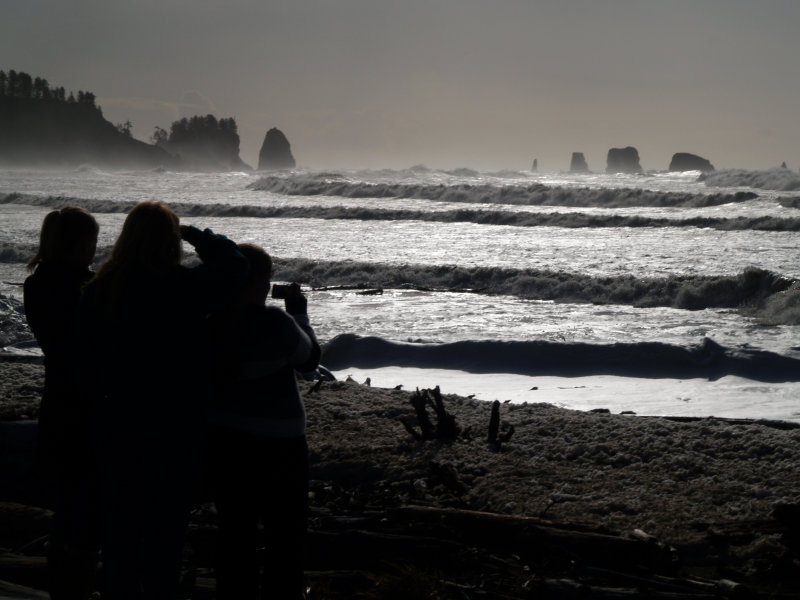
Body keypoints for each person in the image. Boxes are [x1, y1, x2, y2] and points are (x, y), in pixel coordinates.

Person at [74, 201, 248, 600]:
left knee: (118, 531)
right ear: (170, 241)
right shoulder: (182, 287)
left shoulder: (100, 290)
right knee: (164, 533)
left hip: (115, 419)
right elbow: (237, 265)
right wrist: (196, 235)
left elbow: (80, 359)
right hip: (175, 422)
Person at [209, 243, 320, 600]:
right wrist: (299, 316)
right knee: (285, 536)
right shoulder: (275, 322)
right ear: (257, 280)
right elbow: (308, 360)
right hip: (281, 442)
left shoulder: (210, 321)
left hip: (226, 437)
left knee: (234, 531)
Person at [24, 206, 100, 600]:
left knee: (68, 503)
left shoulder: (38, 284)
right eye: (90, 241)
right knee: (86, 503)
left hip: (58, 400)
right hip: (86, 404)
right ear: (77, 243)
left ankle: (63, 583)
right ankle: (78, 585)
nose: (95, 249)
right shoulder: (83, 288)